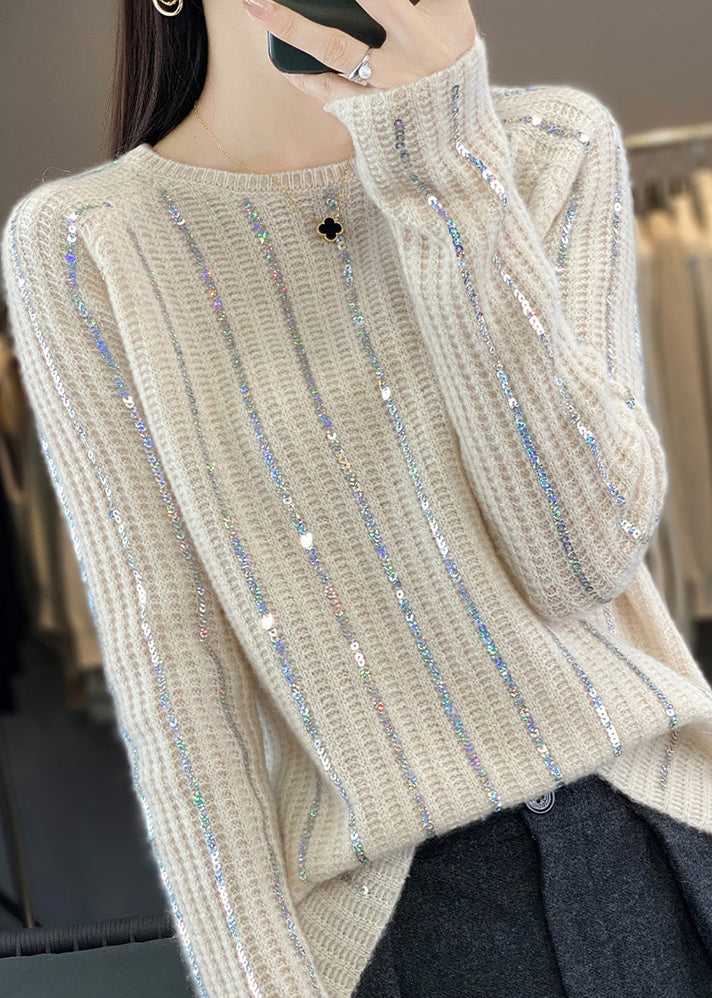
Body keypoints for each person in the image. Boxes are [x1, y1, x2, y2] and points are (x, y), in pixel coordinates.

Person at [3, 0, 712, 995]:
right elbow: (175, 675)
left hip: (652, 835)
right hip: (401, 915)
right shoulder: (89, 240)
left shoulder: (547, 145)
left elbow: (582, 559)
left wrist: (442, 162)